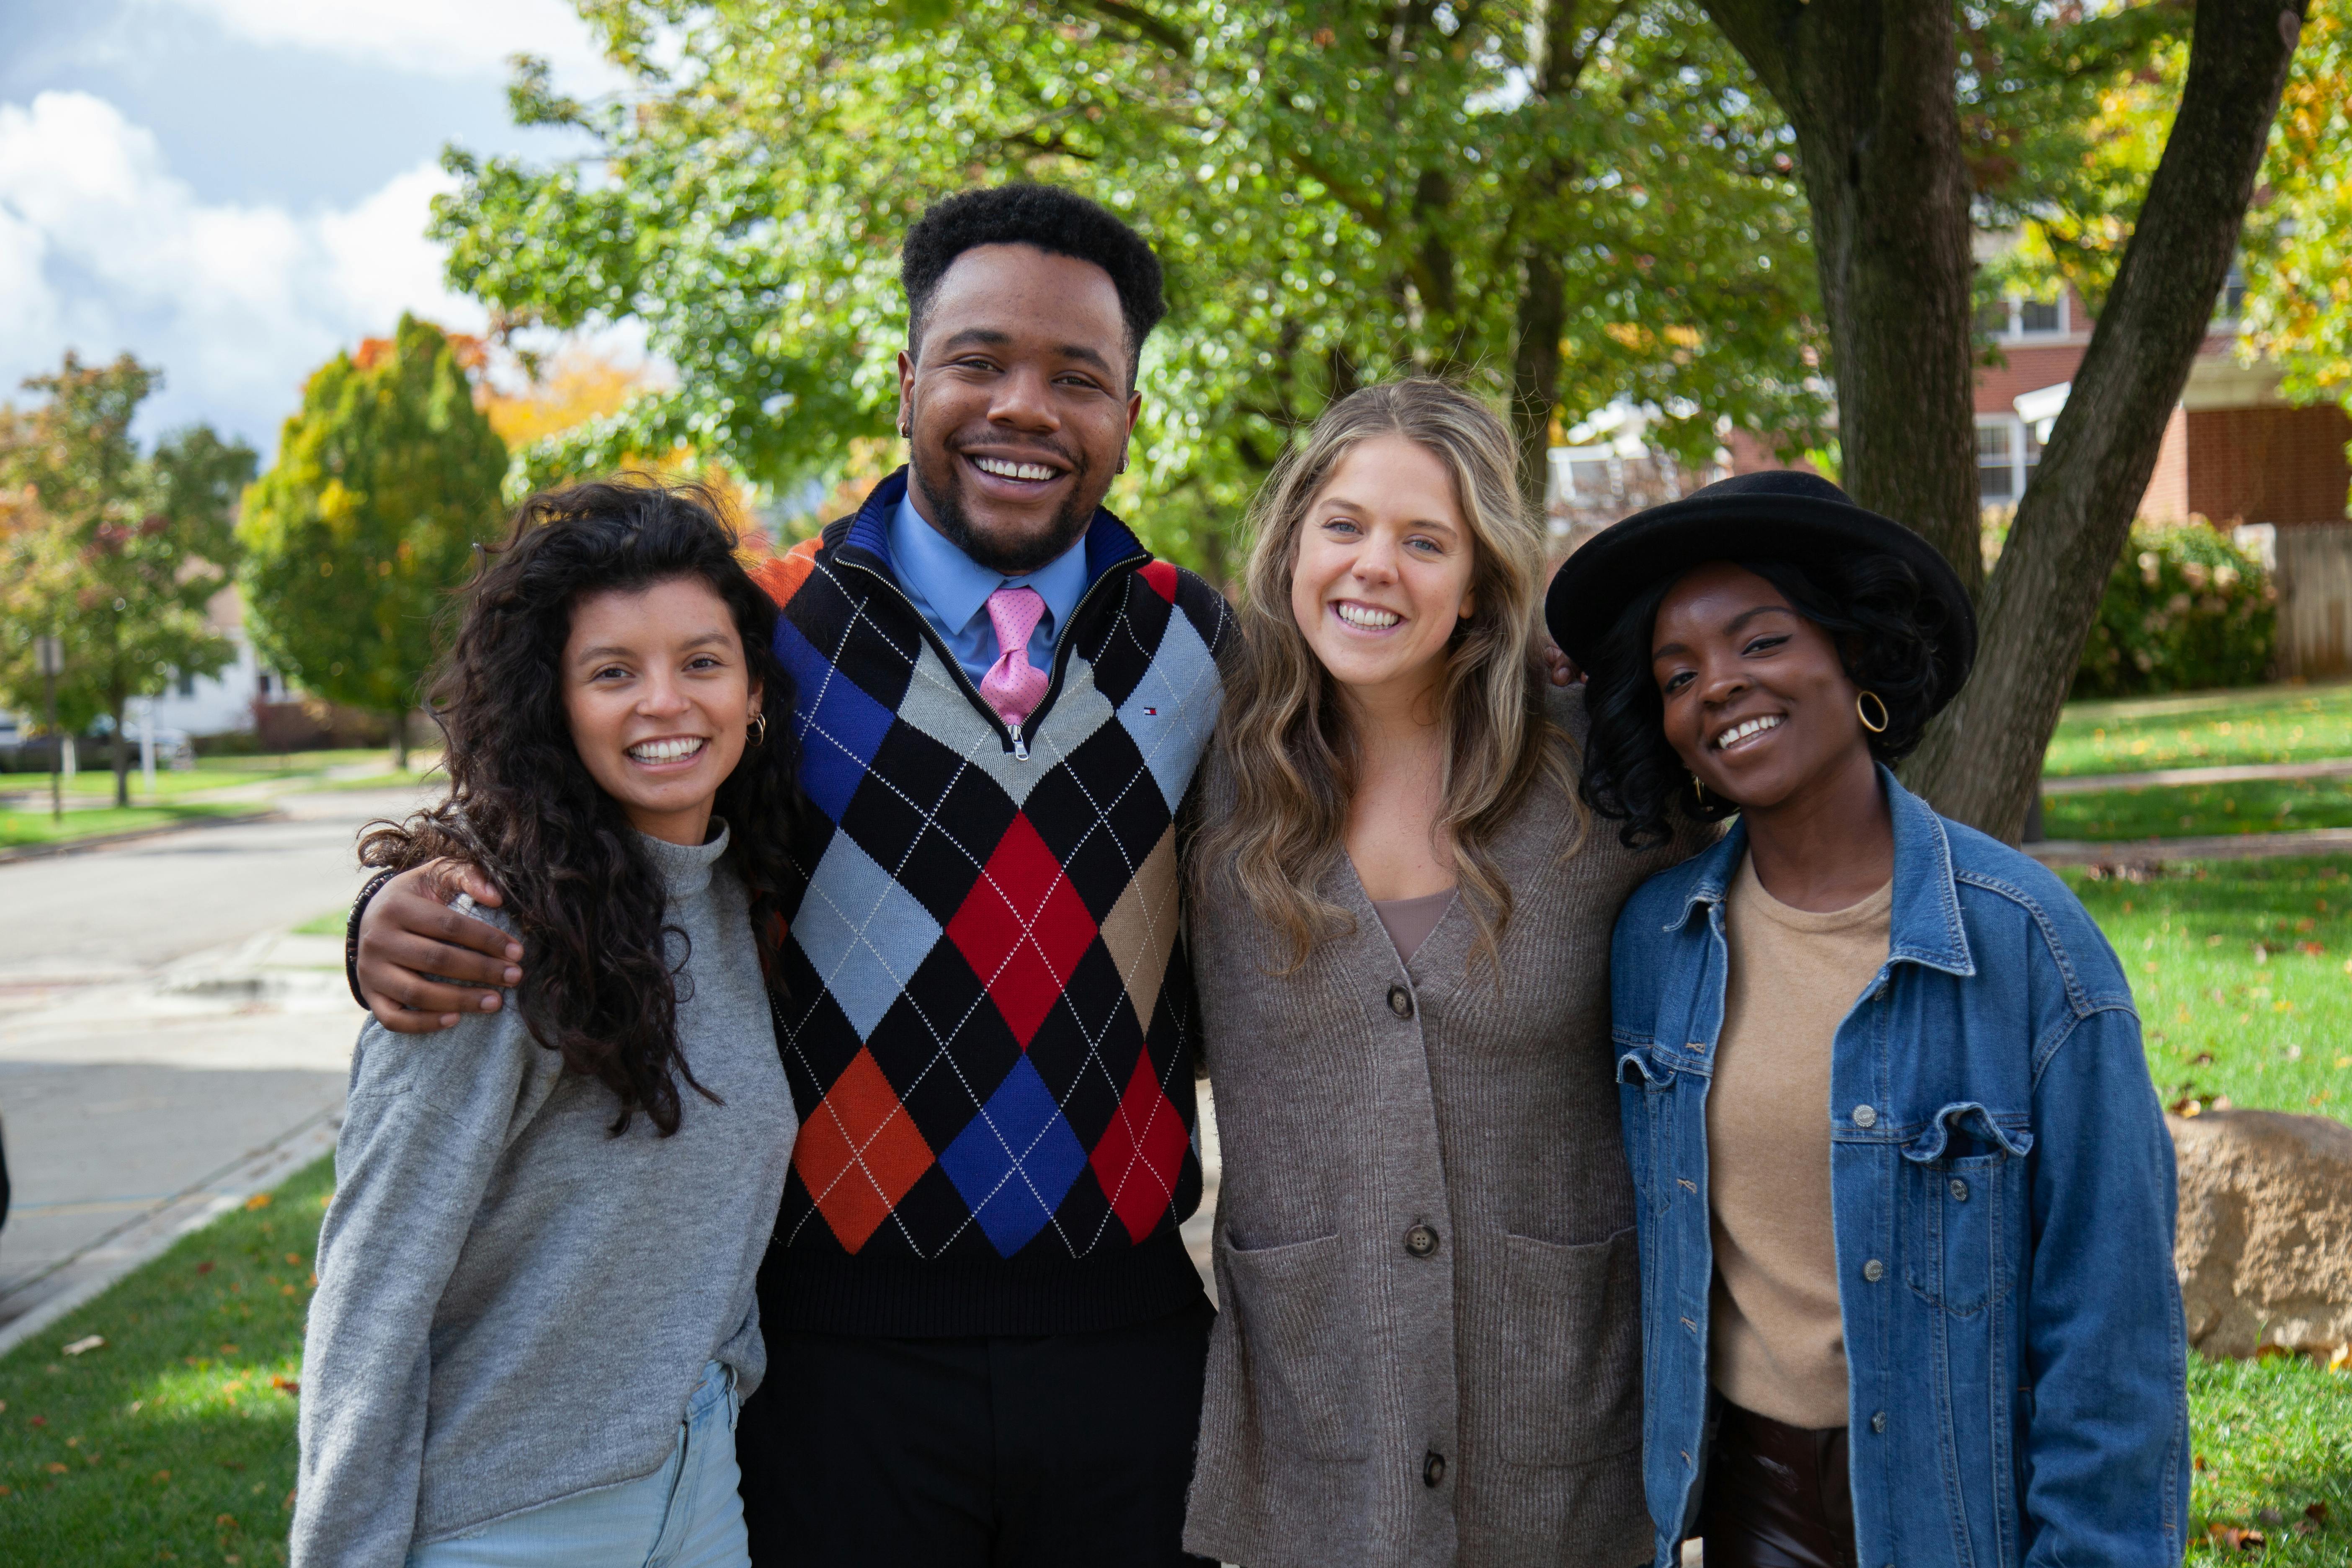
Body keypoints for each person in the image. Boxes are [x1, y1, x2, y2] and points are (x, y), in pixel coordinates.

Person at [345, 185, 1234, 1566]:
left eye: (1078, 377)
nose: (1025, 407)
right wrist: (392, 907)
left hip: (1132, 1344)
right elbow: (556, 806)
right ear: (908, 382)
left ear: (1129, 411)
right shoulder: (756, 629)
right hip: (829, 1360)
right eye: (981, 361)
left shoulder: (1204, 644)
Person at [1547, 471, 2189, 1568]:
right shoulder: (1657, 942)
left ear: (1855, 656)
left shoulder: (2027, 944)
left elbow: (2112, 1328)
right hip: (1755, 1513)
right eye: (1677, 675)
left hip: (1963, 1519)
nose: (1719, 686)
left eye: (1762, 642)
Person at [1181, 379, 1703, 1567]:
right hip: (1319, 1424)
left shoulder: (1597, 774)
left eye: (1426, 542)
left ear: (1478, 583)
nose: (1375, 566)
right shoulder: (1211, 775)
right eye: (1345, 525)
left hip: (1558, 1430)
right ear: (1293, 545)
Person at [293, 482, 808, 1567]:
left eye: (702, 662)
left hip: (701, 1494)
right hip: (514, 1520)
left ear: (754, 690)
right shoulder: (483, 930)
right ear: (554, 704)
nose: (665, 702)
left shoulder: (735, 895)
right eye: (613, 672)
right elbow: (375, 1287)